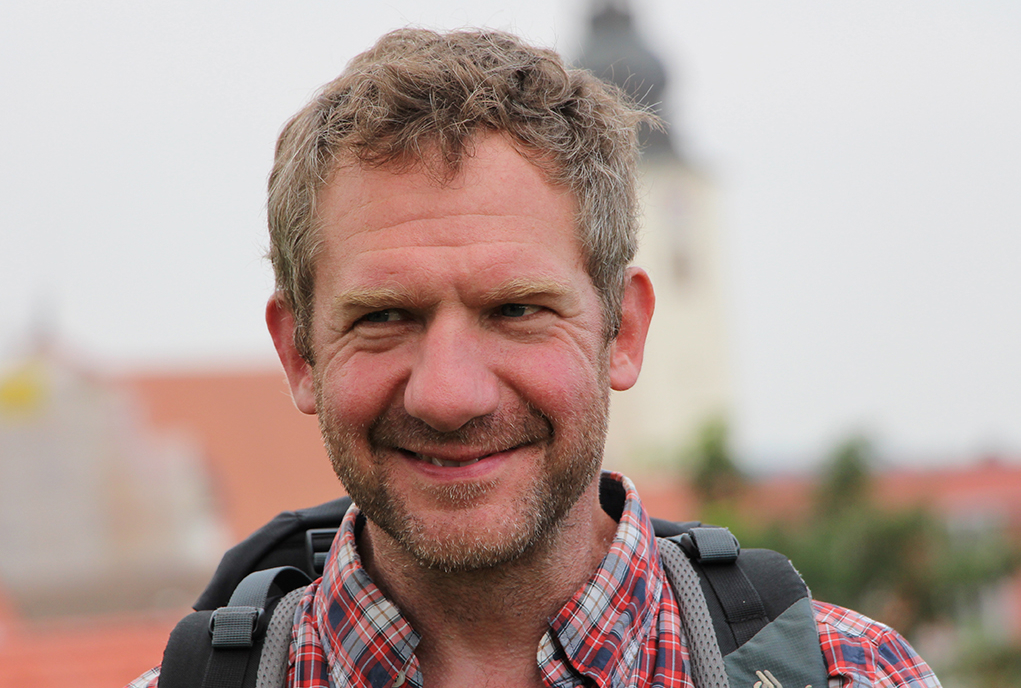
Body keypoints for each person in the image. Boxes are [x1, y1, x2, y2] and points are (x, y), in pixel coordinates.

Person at [130, 28, 941, 688]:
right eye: (383, 317)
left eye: (515, 310)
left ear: (622, 330)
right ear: (299, 353)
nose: (449, 395)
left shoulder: (853, 677)